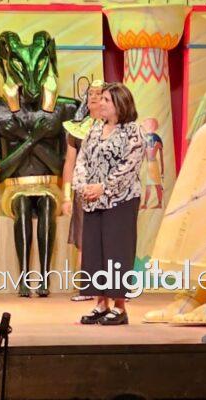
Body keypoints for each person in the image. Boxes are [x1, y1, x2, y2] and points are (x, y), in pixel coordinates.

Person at [73, 83, 144, 325]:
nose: (100, 103)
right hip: (92, 201)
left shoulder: (133, 132)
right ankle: (100, 304)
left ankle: (120, 308)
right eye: (100, 99)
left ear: (120, 104)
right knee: (95, 251)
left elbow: (129, 167)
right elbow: (81, 160)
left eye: (106, 100)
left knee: (117, 252)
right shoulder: (94, 129)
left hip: (120, 201)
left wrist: (103, 187)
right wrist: (83, 185)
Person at [61, 80, 104, 303]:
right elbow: (69, 163)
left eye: (99, 93)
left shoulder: (114, 127)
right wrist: (66, 196)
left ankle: (113, 288)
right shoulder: (76, 129)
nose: (94, 97)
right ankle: (87, 287)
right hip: (83, 189)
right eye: (91, 93)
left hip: (107, 190)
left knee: (109, 239)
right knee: (83, 241)